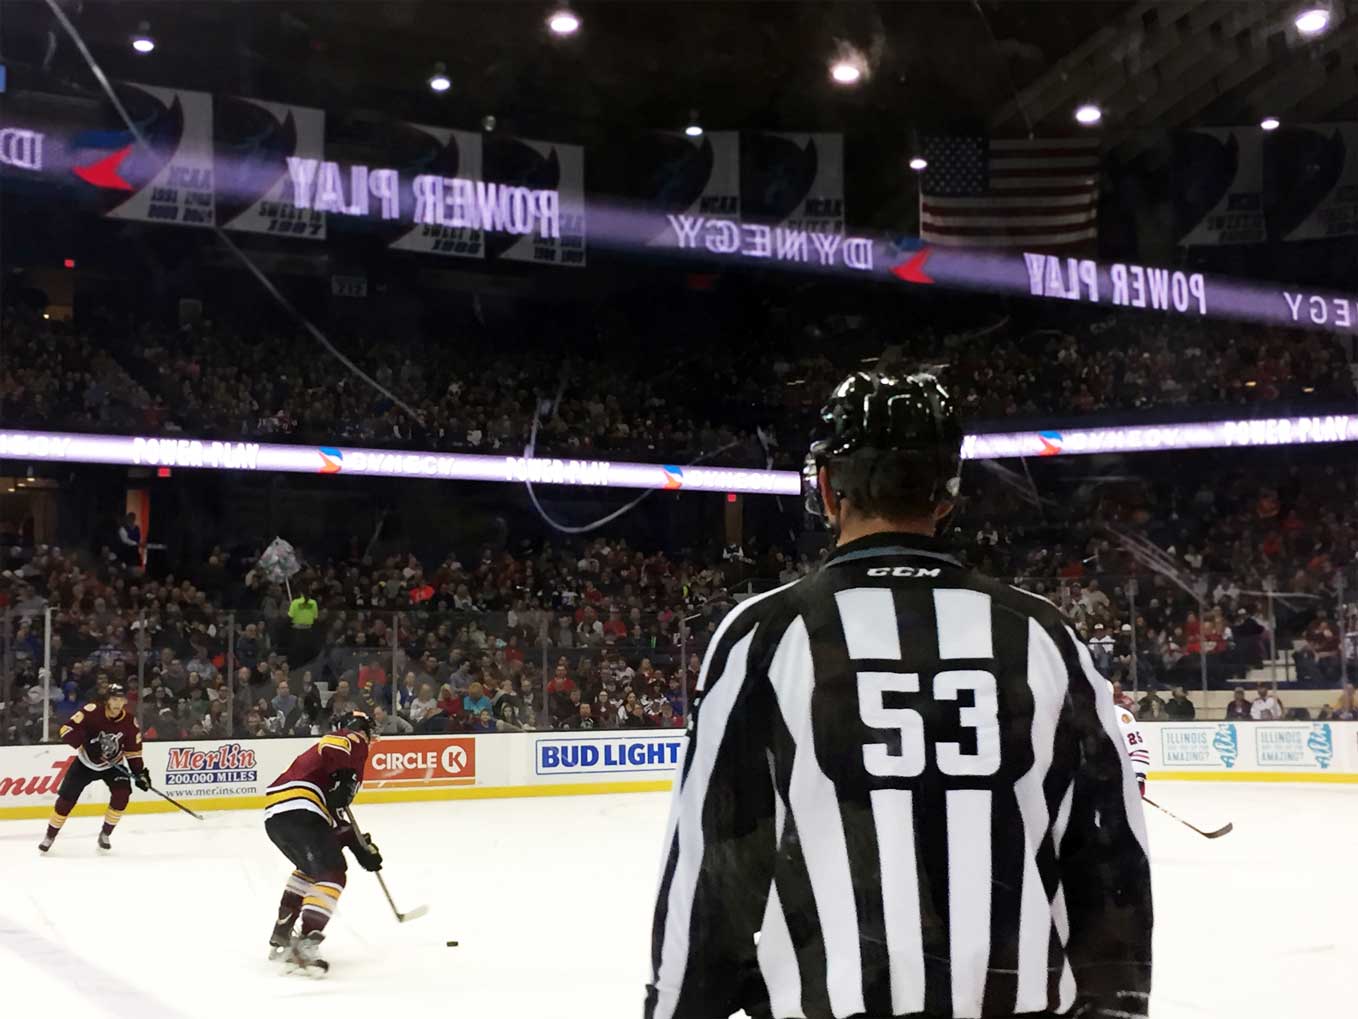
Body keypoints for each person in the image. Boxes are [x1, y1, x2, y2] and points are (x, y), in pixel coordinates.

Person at [645, 372, 1151, 1019]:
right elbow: (1111, 864)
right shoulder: (1043, 635)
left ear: (827, 487)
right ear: (947, 494)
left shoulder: (766, 637)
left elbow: (707, 883)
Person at [263, 710, 383, 974]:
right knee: (333, 873)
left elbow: (334, 819)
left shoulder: (327, 768)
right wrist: (346, 776)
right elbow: (334, 741)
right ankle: (305, 942)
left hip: (278, 815)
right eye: (368, 729)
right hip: (300, 809)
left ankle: (282, 934)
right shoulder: (351, 740)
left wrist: (359, 846)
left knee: (311, 868)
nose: (371, 736)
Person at [38, 682, 153, 854]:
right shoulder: (92, 711)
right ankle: (50, 835)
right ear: (107, 700)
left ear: (124, 702)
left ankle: (105, 834)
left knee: (122, 795)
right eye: (113, 699)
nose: (117, 703)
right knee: (65, 800)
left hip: (112, 765)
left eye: (120, 699)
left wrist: (140, 773)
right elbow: (66, 730)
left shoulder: (130, 722)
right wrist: (86, 743)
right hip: (85, 763)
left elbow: (133, 752)